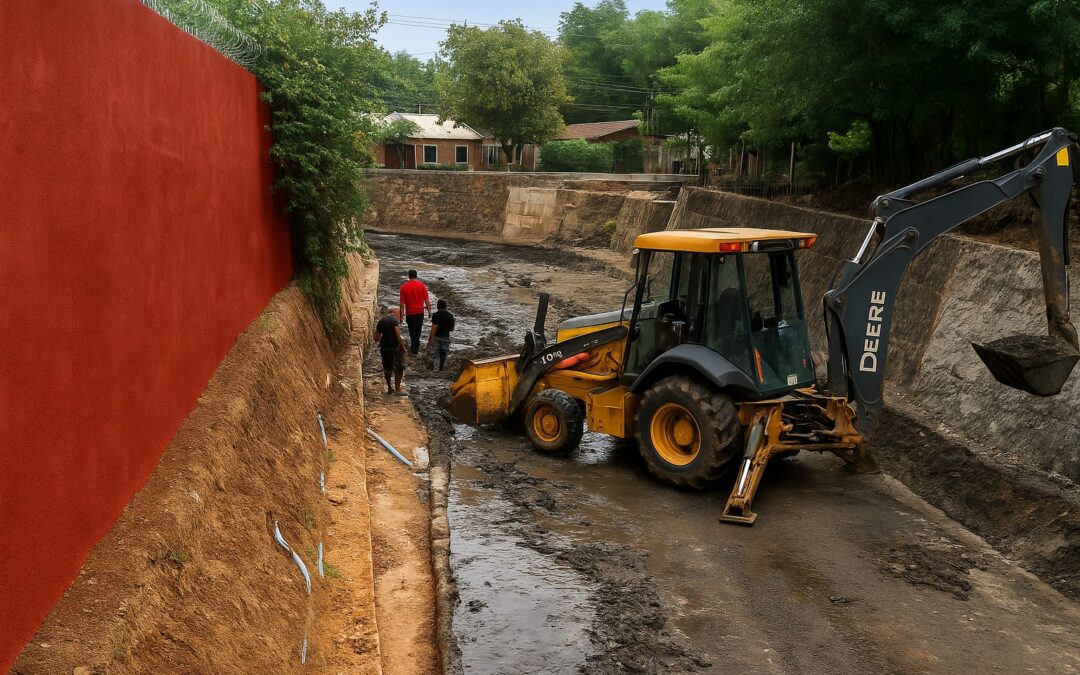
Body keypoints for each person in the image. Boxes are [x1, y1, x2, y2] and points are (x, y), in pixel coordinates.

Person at [375, 305, 408, 395]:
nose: (401, 317)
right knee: (399, 368)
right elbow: (397, 334)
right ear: (395, 313)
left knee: (387, 368)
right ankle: (397, 388)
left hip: (384, 348)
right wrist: (403, 347)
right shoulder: (394, 321)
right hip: (394, 348)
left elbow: (376, 337)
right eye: (400, 315)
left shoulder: (381, 321)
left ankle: (389, 388)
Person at [399, 269, 431, 355]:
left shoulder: (403, 287)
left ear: (409, 276)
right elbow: (427, 300)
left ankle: (414, 347)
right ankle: (416, 345)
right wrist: (429, 311)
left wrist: (401, 316)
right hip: (420, 313)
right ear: (416, 276)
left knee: (412, 330)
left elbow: (402, 304)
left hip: (410, 313)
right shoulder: (422, 286)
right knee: (418, 329)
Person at [426, 299, 456, 371]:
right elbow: (452, 329)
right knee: (444, 353)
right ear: (445, 306)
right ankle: (441, 368)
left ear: (437, 306)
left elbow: (434, 328)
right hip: (446, 337)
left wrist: (430, 339)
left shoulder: (436, 315)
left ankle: (435, 369)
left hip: (437, 338)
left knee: (435, 354)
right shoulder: (450, 316)